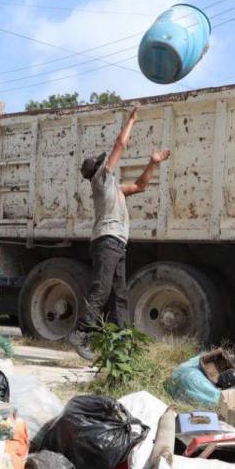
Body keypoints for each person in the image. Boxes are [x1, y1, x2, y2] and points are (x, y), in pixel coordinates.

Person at [68, 108, 170, 359]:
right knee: (101, 289)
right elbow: (119, 145)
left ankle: (122, 341)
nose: (108, 163)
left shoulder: (114, 189)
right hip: (107, 241)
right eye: (104, 163)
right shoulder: (101, 181)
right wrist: (131, 121)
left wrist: (153, 163)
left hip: (117, 243)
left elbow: (140, 185)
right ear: (99, 170)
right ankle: (81, 333)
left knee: (119, 295)